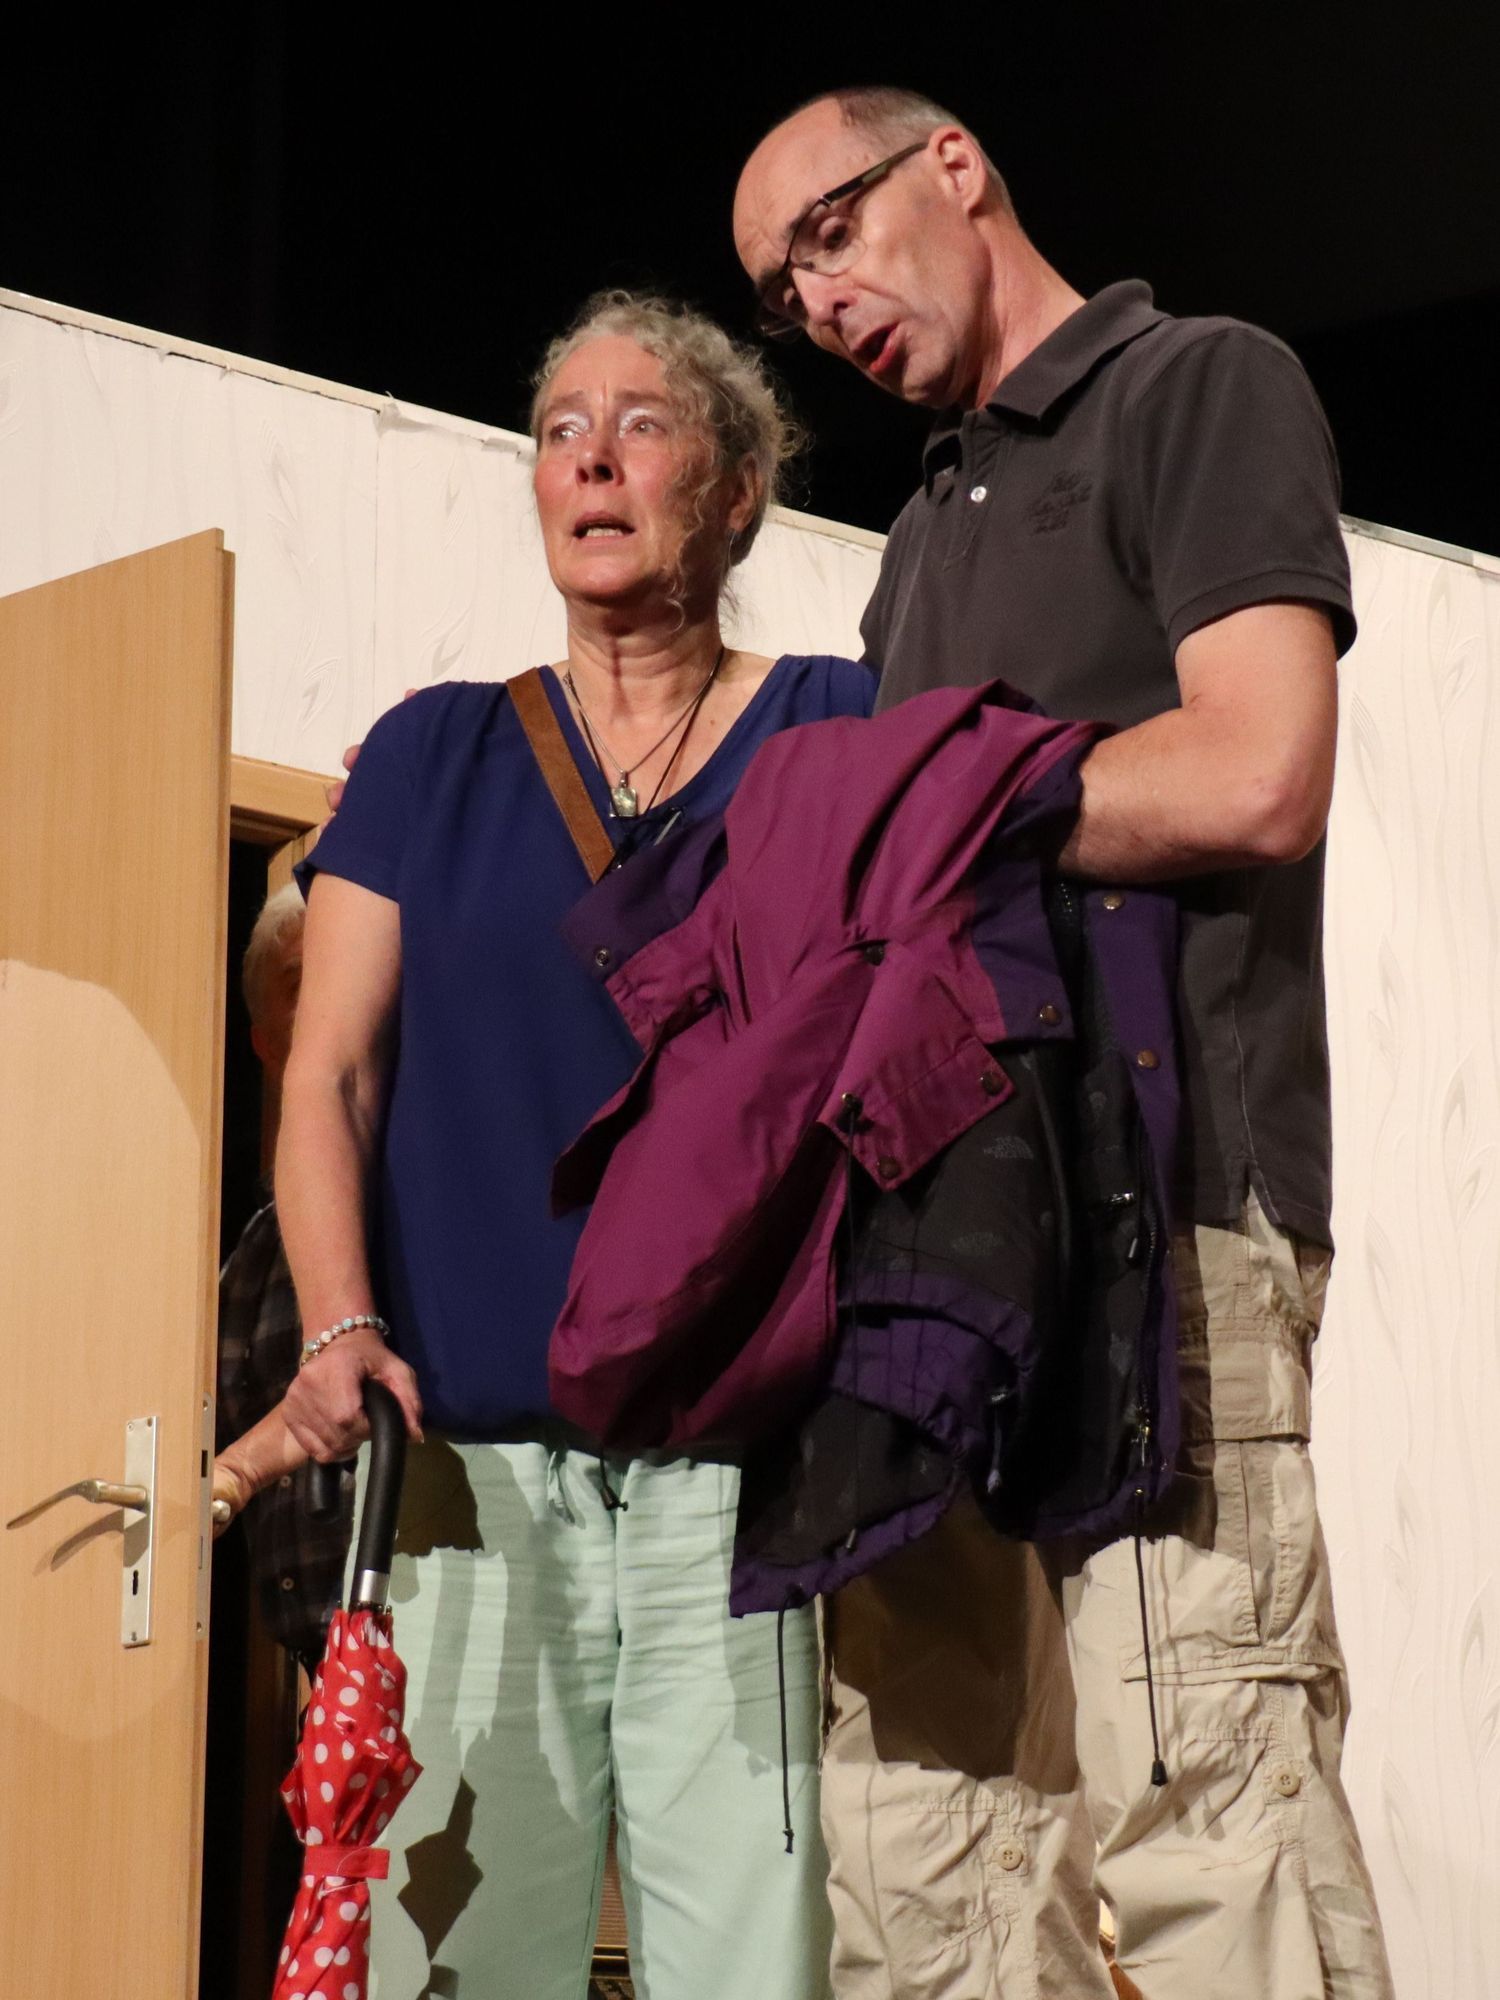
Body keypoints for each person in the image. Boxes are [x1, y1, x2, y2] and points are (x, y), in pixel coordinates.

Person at [733, 87, 1394, 2000]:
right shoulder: (915, 545)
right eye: (781, 290)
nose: (817, 301)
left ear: (953, 164)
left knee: (1211, 1809)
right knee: (924, 1859)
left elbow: (1260, 768)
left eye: (828, 232)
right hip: (941, 1257)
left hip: (1164, 1223)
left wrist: (929, 804)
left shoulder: (1195, 385)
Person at [264, 292, 875, 2000]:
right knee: (451, 1962)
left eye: (645, 424)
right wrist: (337, 1323)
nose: (594, 459)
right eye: (560, 430)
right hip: (473, 1477)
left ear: (737, 489)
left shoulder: (837, 723)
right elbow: (330, 1072)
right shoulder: (433, 753)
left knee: (753, 1971)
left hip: (745, 1481)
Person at [216, 881, 353, 1674]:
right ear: (265, 1043)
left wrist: (238, 1471)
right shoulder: (257, 1248)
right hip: (317, 1661)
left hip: (420, 1632)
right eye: (304, 983)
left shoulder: (416, 1193)